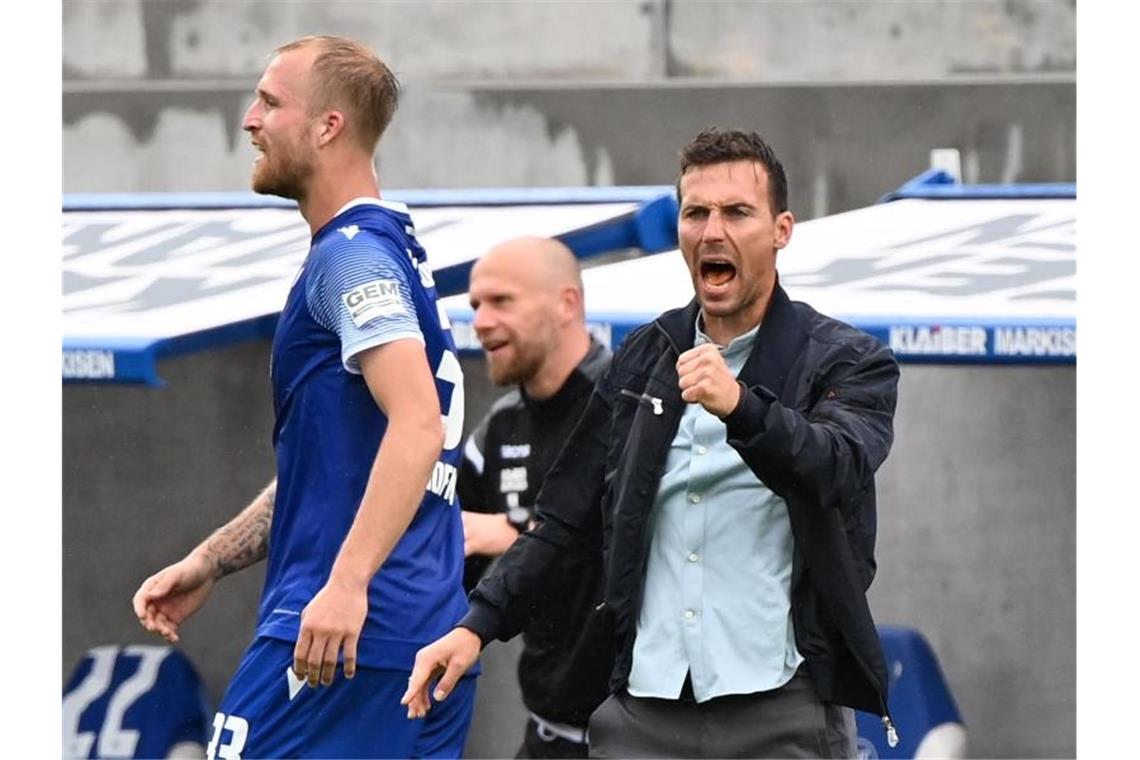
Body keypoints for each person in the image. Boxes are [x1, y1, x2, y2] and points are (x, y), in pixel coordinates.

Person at [402, 127, 902, 759]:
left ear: (781, 231)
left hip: (783, 708)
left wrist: (742, 408)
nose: (713, 230)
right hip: (644, 712)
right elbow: (563, 520)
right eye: (696, 213)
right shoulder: (646, 356)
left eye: (737, 212)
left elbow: (836, 466)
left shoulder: (848, 359)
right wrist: (476, 627)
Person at [131, 35, 475, 759]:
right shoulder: (393, 253)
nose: (249, 120)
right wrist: (212, 558)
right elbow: (340, 460)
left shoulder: (351, 255)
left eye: (269, 102)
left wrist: (346, 585)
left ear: (329, 127)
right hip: (414, 633)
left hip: (340, 638)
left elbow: (417, 425)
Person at [458, 237, 613, 758]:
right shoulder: (497, 431)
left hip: (645, 738)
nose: (480, 321)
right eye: (476, 304)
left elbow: (646, 546)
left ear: (567, 304)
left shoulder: (631, 406)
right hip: (548, 734)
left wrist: (511, 535)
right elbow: (457, 568)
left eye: (501, 301)